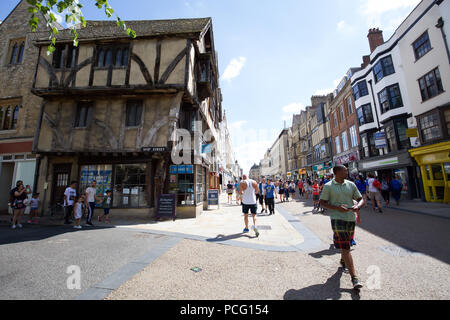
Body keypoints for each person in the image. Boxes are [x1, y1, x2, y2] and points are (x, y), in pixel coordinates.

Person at [320, 165, 364, 290]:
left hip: (350, 218)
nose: (347, 171)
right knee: (346, 247)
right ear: (337, 172)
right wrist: (337, 208)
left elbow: (361, 199)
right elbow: (322, 202)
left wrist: (358, 207)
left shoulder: (351, 184)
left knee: (346, 244)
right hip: (337, 219)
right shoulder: (328, 186)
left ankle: (343, 260)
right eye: (345, 170)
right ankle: (354, 278)